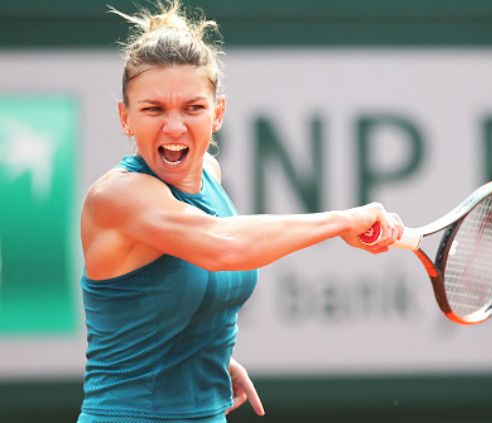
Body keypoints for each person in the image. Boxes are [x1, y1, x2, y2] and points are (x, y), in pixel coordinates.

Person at [77, 1, 404, 421]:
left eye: (193, 108)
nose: (174, 127)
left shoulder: (210, 174)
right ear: (125, 117)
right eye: (153, 109)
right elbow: (223, 248)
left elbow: (168, 299)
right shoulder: (118, 197)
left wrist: (205, 356)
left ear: (218, 114)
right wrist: (343, 221)